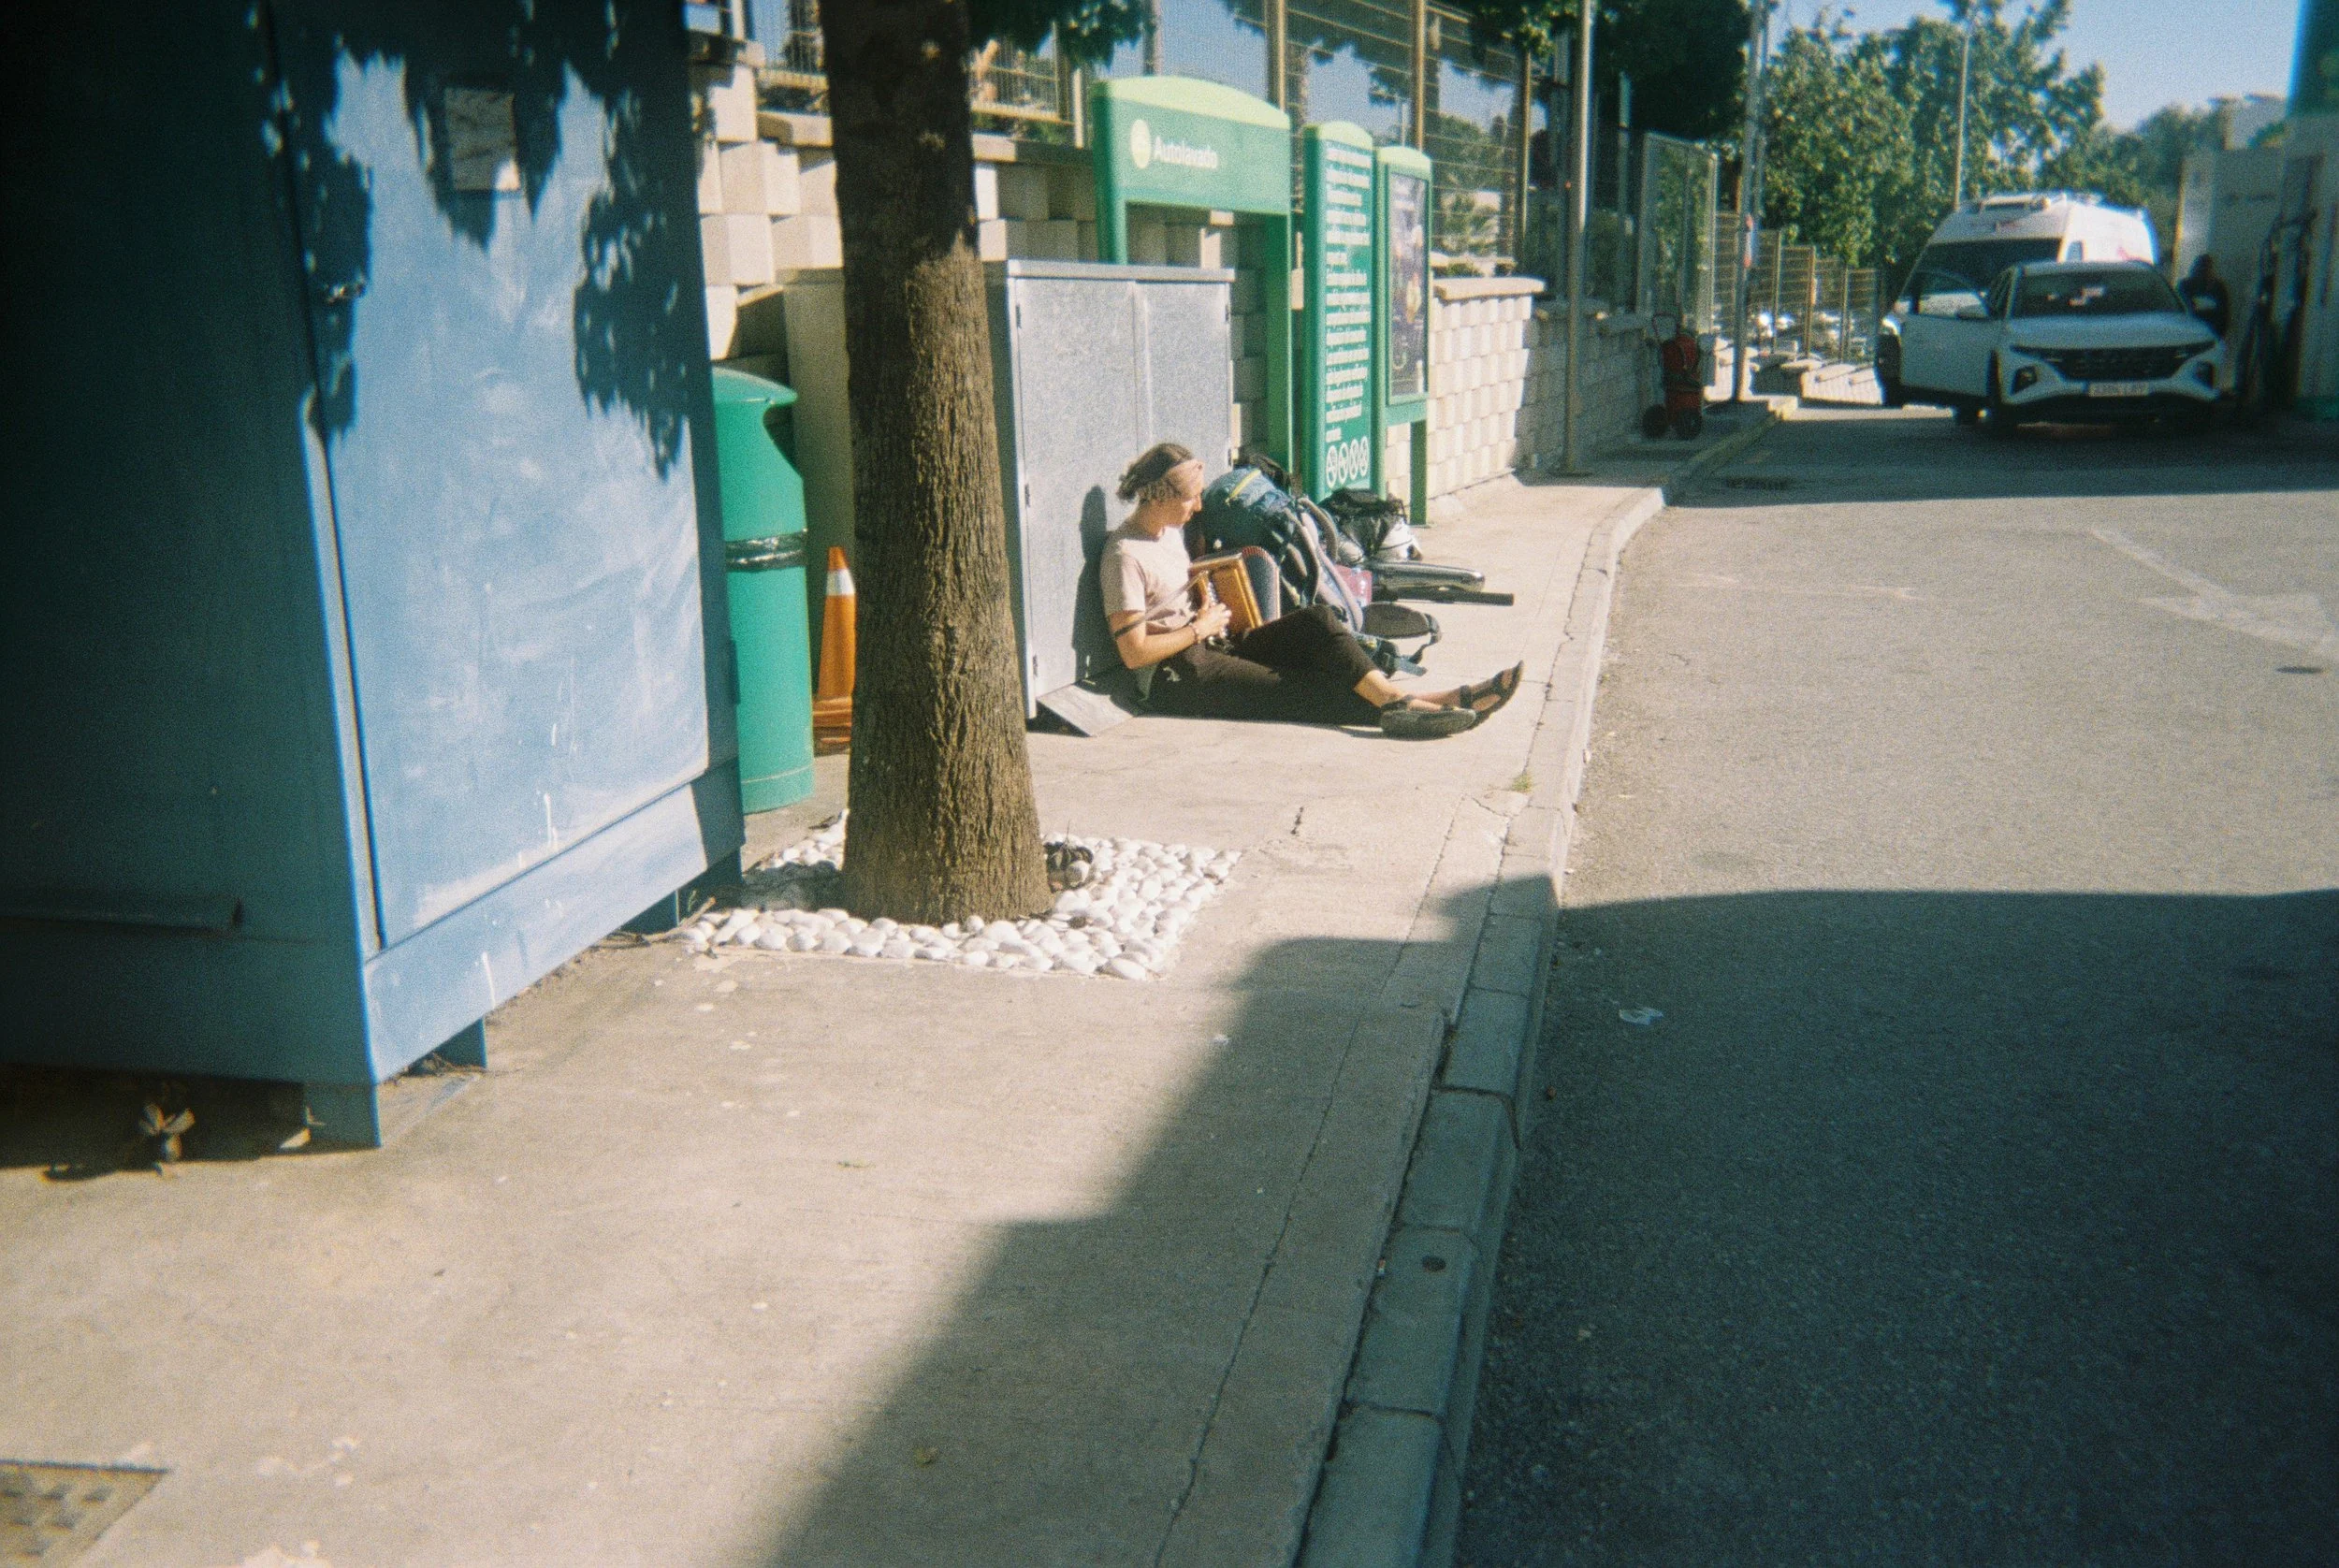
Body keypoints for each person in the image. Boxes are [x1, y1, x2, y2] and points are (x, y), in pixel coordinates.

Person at [1100, 443, 1521, 738]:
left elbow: (1176, 596)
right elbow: (1133, 651)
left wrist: (1207, 602)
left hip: (1209, 642)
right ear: (1160, 496)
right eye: (1191, 498)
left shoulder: (1168, 535)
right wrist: (1197, 629)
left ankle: (1405, 703)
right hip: (1173, 677)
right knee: (1299, 689)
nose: (1198, 507)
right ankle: (1431, 703)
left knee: (1318, 622)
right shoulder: (1124, 554)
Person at [2181, 254, 2231, 340]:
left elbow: (2224, 314)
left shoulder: (2218, 287)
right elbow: (2184, 308)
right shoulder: (2185, 286)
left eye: (2206, 268)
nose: (2203, 271)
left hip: (2212, 334)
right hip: (2190, 333)